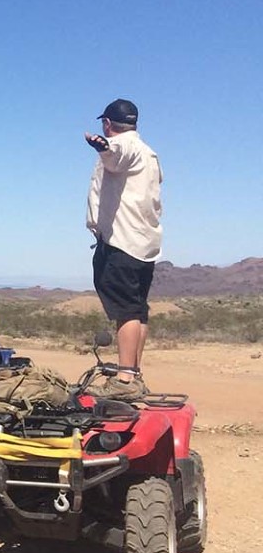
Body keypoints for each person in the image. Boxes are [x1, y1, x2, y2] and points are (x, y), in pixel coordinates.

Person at [85, 98, 162, 397]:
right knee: (137, 311)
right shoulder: (148, 153)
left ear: (107, 123)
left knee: (126, 312)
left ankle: (125, 380)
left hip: (122, 242)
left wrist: (103, 147)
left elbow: (116, 154)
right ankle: (135, 375)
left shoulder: (123, 146)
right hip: (144, 243)